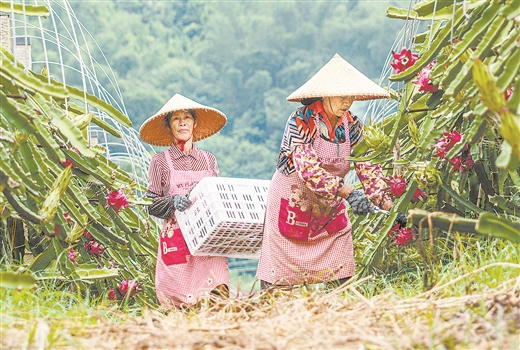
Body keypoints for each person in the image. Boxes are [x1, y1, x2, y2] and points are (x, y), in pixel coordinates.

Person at [256, 53, 394, 289]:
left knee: (341, 267)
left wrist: (390, 207)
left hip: (328, 206)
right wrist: (349, 193)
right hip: (292, 200)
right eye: (342, 96)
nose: (347, 102)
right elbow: (308, 170)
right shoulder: (301, 120)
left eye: (351, 96)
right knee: (280, 276)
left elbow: (367, 165)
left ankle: (345, 310)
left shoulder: (353, 126)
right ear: (326, 93)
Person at [139, 93, 230, 308]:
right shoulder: (159, 162)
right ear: (169, 126)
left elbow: (217, 195)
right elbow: (150, 203)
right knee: (181, 303)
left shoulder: (209, 159)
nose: (182, 122)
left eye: (187, 117)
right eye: (176, 119)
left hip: (208, 239)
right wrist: (173, 202)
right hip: (177, 239)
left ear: (194, 123)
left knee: (217, 293)